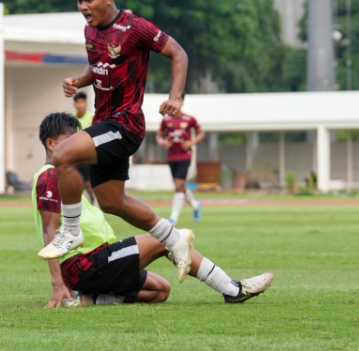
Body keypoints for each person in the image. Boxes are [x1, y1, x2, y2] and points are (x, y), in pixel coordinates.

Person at [39, 0, 196, 283]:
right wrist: (78, 81)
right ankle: (175, 240)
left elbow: (179, 53)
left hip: (125, 124)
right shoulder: (90, 31)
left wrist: (176, 97)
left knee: (63, 155)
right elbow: (98, 68)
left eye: (89, 0)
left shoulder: (135, 27)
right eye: (79, 0)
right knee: (112, 202)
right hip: (104, 122)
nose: (83, 7)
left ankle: (70, 231)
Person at [34, 113, 273, 308]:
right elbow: (49, 231)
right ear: (51, 144)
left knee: (160, 291)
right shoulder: (50, 175)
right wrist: (58, 283)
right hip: (86, 264)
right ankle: (232, 289)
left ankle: (91, 298)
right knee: (163, 240)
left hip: (98, 260)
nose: (75, 146)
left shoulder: (63, 176)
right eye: (69, 140)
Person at [156, 94, 205, 225]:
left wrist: (191, 143)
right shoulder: (166, 121)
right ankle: (195, 205)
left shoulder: (189, 119)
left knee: (178, 186)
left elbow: (201, 133)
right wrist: (163, 143)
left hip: (185, 156)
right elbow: (159, 136)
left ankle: (173, 219)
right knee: (181, 186)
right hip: (172, 156)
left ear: (181, 103)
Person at [72, 92, 97, 207]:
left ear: (86, 104)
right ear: (75, 105)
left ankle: (93, 203)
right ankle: (76, 205)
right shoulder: (71, 118)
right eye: (77, 102)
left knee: (88, 183)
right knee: (74, 182)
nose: (80, 105)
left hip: (86, 156)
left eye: (82, 102)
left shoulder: (91, 117)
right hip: (74, 156)